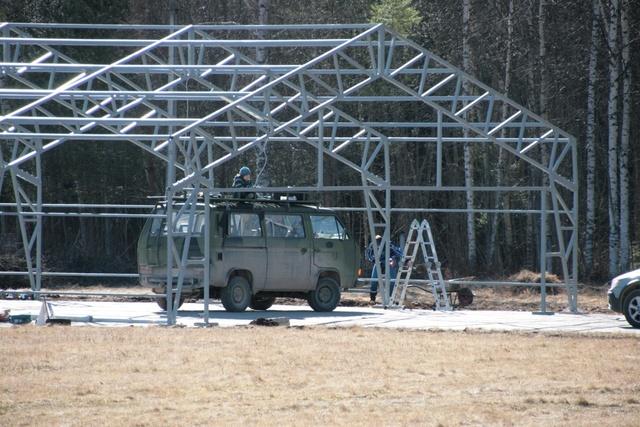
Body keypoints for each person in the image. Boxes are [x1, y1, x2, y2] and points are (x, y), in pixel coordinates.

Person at [365, 234, 403, 304]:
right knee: (374, 279)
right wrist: (373, 260)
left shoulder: (389, 244)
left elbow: (398, 251)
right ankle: (372, 298)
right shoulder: (372, 245)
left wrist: (405, 260)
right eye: (377, 245)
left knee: (392, 279)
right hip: (378, 261)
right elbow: (367, 253)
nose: (379, 246)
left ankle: (391, 298)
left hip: (388, 261)